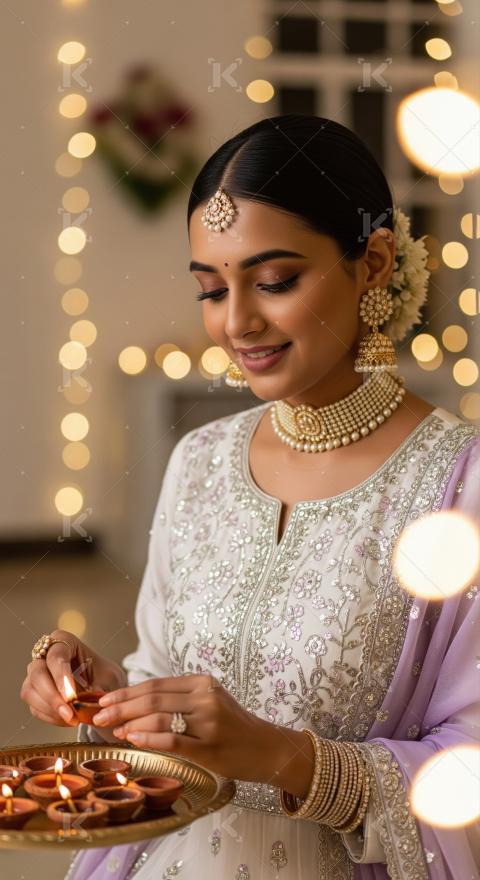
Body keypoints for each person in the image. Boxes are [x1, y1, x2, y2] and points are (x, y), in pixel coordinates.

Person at [21, 115, 480, 880]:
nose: (236, 323)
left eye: (274, 282)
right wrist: (111, 700)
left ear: (371, 263)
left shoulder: (460, 487)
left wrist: (282, 757)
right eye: (211, 288)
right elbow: (164, 677)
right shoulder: (199, 461)